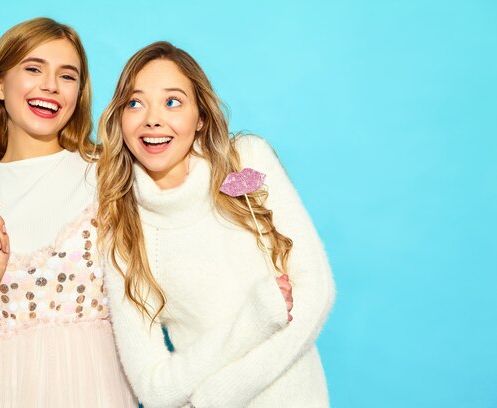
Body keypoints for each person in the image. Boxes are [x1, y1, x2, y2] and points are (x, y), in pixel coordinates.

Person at [96, 41, 335, 408]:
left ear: (201, 117)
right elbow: (153, 387)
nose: (152, 119)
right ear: (120, 119)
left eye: (172, 102)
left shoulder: (248, 161)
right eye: (135, 103)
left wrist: (225, 391)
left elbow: (316, 293)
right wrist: (255, 318)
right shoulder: (124, 229)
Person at [0, 17, 136, 407]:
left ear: (79, 92)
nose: (50, 85)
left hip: (94, 388)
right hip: (0, 391)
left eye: (67, 76)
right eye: (33, 69)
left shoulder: (105, 175)